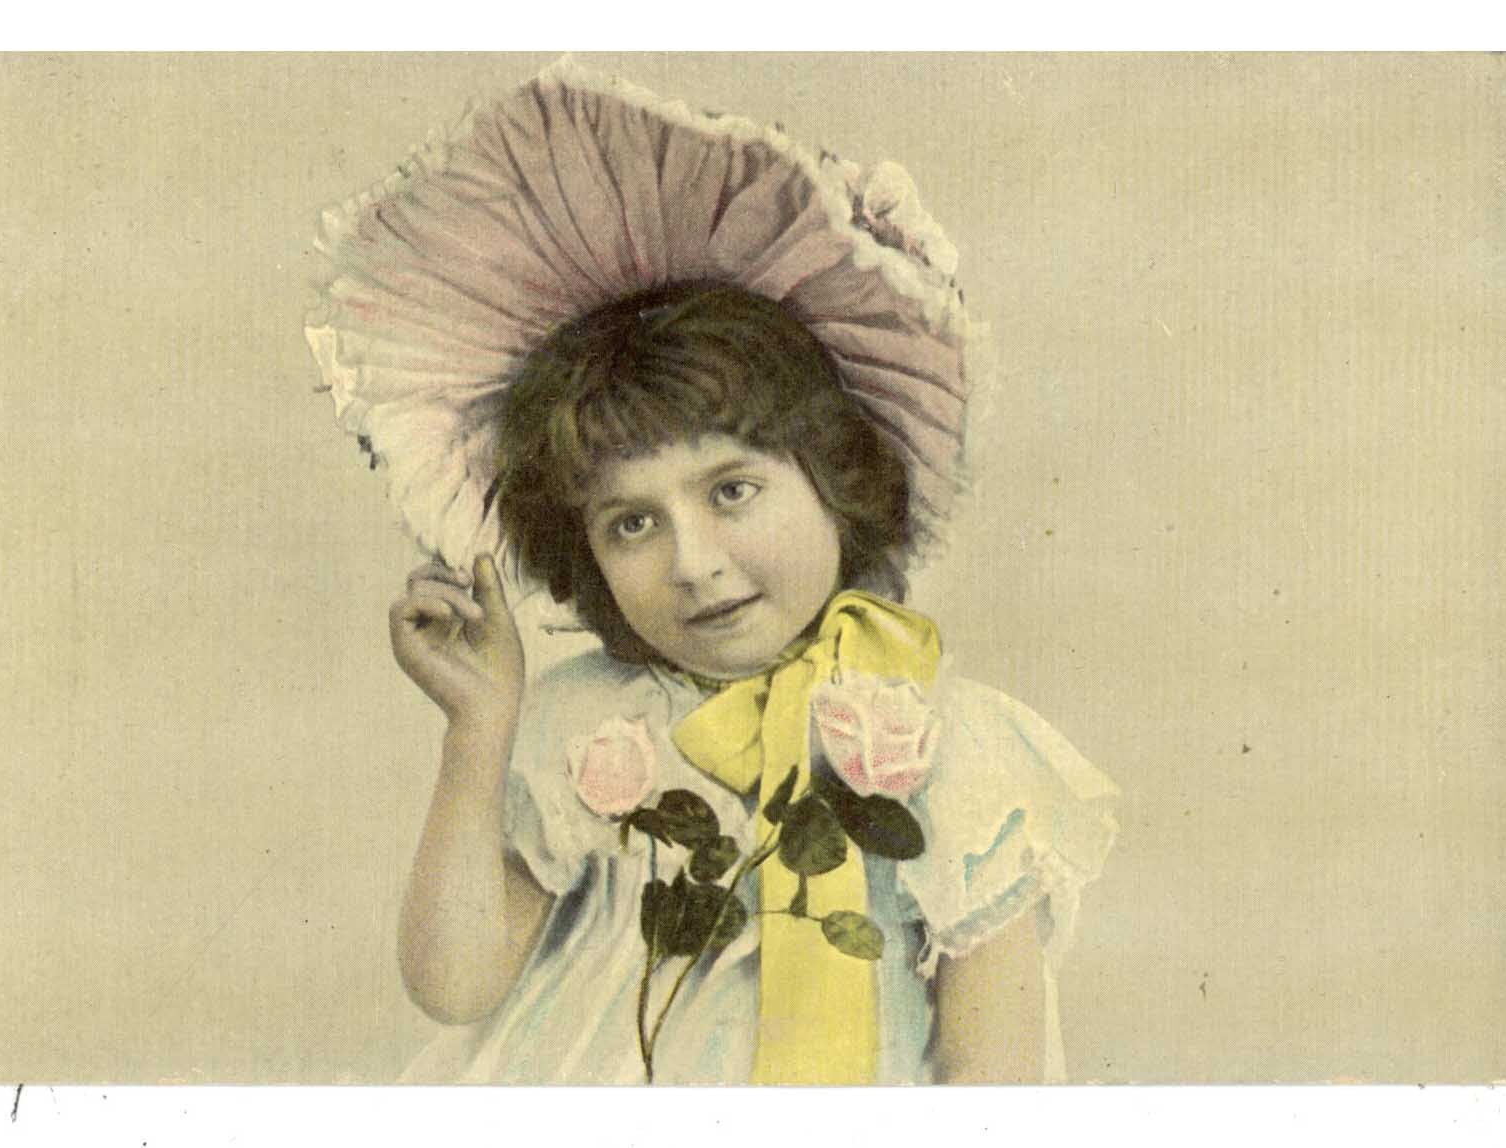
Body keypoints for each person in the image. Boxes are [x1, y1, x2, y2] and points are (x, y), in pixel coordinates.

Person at [306, 62, 1118, 1085]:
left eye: (732, 489)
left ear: (834, 475)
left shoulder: (959, 747)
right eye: (632, 522)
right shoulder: (584, 719)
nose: (692, 564)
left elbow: (995, 1082)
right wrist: (479, 727)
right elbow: (453, 985)